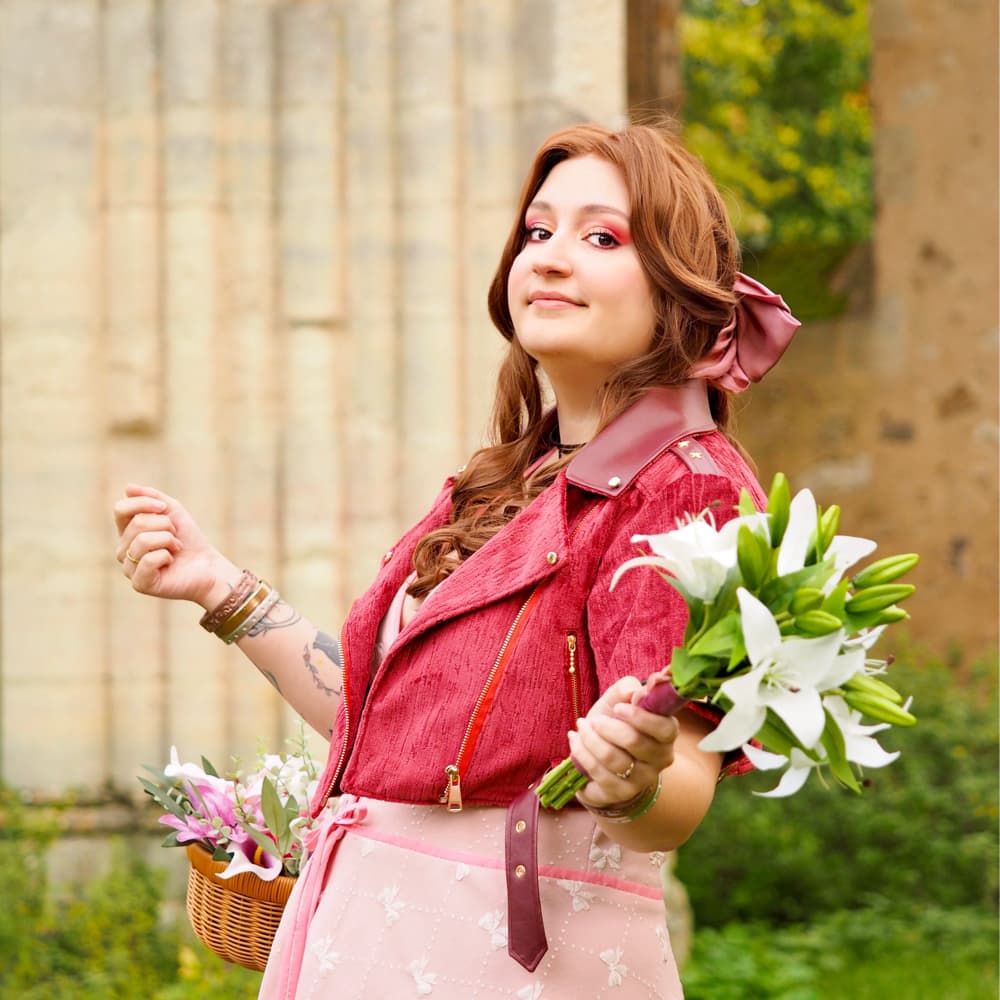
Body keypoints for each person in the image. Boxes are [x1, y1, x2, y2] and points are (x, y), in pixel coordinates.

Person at [114, 121, 799, 999]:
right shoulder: (501, 480)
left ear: (681, 294)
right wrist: (221, 587)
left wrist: (634, 778)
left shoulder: (682, 486)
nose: (548, 258)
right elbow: (390, 734)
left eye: (601, 237)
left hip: (505, 968)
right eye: (537, 232)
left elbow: (680, 790)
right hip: (370, 944)